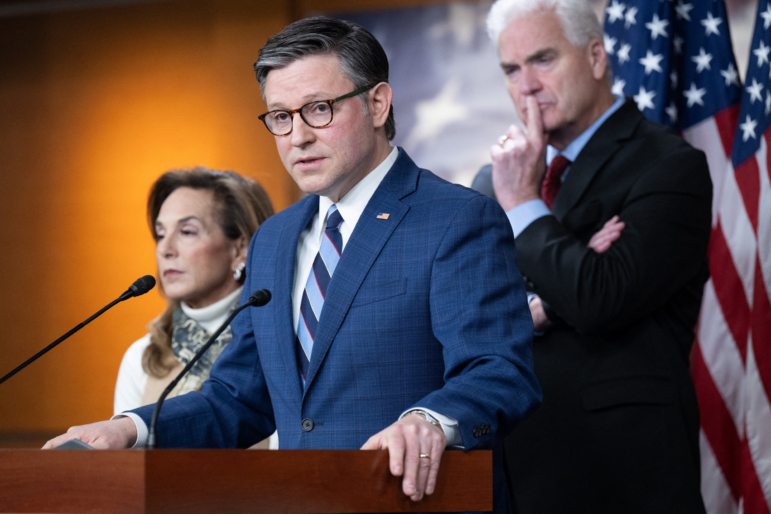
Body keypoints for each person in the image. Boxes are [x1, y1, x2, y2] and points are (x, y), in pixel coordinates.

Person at [44, 16, 541, 511]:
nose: (297, 136)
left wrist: (431, 420)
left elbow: (499, 370)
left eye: (318, 109)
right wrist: (130, 429)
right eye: (280, 117)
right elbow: (239, 398)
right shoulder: (275, 240)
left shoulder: (456, 217)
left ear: (377, 103)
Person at [474, 0, 712, 512]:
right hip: (515, 476)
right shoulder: (492, 182)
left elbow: (600, 296)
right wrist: (548, 301)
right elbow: (470, 316)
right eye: (511, 70)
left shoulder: (669, 165)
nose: (527, 86)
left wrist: (523, 206)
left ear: (597, 57)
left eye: (542, 60)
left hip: (624, 478)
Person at [113, 168, 274, 423]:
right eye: (160, 234)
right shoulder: (143, 357)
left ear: (241, 249)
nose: (164, 249)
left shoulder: (279, 347)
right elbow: (127, 462)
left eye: (186, 232)